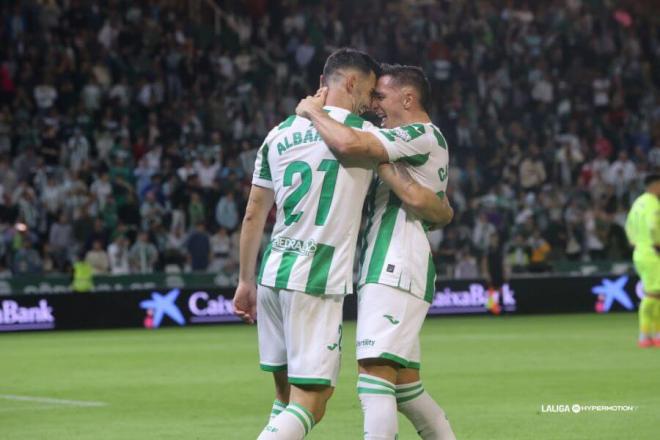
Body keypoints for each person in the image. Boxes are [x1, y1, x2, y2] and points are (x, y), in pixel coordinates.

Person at [234, 49, 449, 440]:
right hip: (316, 277)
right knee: (312, 401)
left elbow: (252, 215)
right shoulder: (362, 135)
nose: (371, 104)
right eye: (370, 92)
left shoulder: (278, 132)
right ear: (351, 83)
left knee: (286, 398)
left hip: (270, 275)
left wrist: (244, 280)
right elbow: (363, 153)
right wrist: (443, 210)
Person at [296, 64, 455, 439]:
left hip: (394, 262)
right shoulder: (422, 139)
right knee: (405, 388)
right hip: (394, 262)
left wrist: (314, 111)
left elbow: (351, 144)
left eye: (380, 97)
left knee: (374, 379)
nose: (373, 106)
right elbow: (434, 205)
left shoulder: (419, 133)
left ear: (408, 98)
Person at [625, 173, 660, 348]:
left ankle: (652, 335)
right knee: (654, 294)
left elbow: (629, 227)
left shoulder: (637, 203)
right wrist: (656, 244)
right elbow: (654, 225)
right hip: (653, 253)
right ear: (656, 185)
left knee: (655, 295)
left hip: (640, 252)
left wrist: (637, 243)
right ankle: (647, 335)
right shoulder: (653, 203)